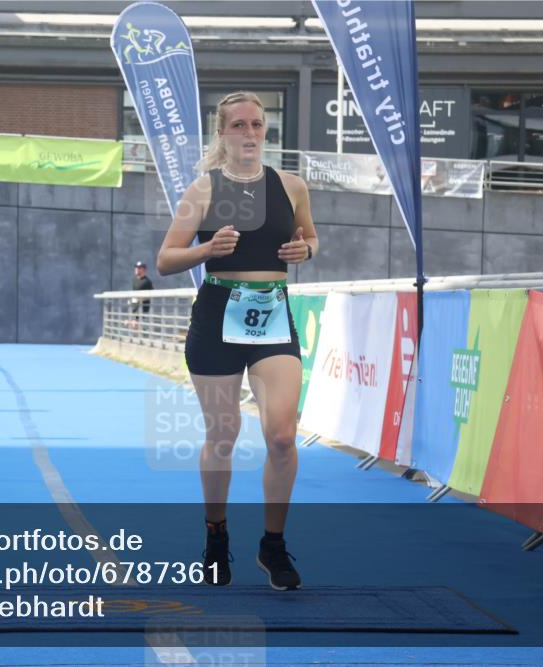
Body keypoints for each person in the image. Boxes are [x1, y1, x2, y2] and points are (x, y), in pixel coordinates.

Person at [155, 91, 319, 591]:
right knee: (222, 436)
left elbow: (311, 237)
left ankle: (272, 544)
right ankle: (216, 535)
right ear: (223, 134)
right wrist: (207, 248)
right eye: (240, 126)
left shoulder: (290, 185)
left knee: (283, 436)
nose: (250, 134)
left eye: (258, 125)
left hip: (271, 312)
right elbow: (165, 259)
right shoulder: (203, 190)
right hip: (217, 315)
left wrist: (304, 250)